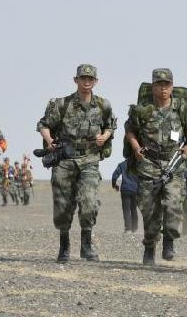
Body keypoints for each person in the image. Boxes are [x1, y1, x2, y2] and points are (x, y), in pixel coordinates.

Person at [37, 64, 116, 263]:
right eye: (83, 78)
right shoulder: (62, 104)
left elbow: (111, 126)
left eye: (90, 79)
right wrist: (49, 141)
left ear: (96, 81)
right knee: (63, 206)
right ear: (76, 80)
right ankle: (64, 245)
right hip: (65, 160)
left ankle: (86, 245)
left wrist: (104, 137)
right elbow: (44, 124)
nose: (86, 82)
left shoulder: (103, 105)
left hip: (89, 160)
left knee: (89, 202)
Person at [124, 68, 187, 265]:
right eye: (159, 84)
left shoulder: (182, 107)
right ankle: (149, 247)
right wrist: (136, 147)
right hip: (149, 164)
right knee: (149, 210)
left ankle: (169, 241)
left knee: (173, 204)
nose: (163, 88)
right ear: (153, 86)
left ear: (172, 86)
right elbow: (130, 130)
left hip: (174, 162)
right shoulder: (143, 110)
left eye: (167, 84)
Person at [112, 159, 139, 233]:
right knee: (134, 209)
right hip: (135, 190)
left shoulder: (122, 164)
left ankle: (128, 228)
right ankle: (135, 228)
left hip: (125, 189)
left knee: (126, 210)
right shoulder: (138, 164)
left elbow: (114, 175)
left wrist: (114, 185)